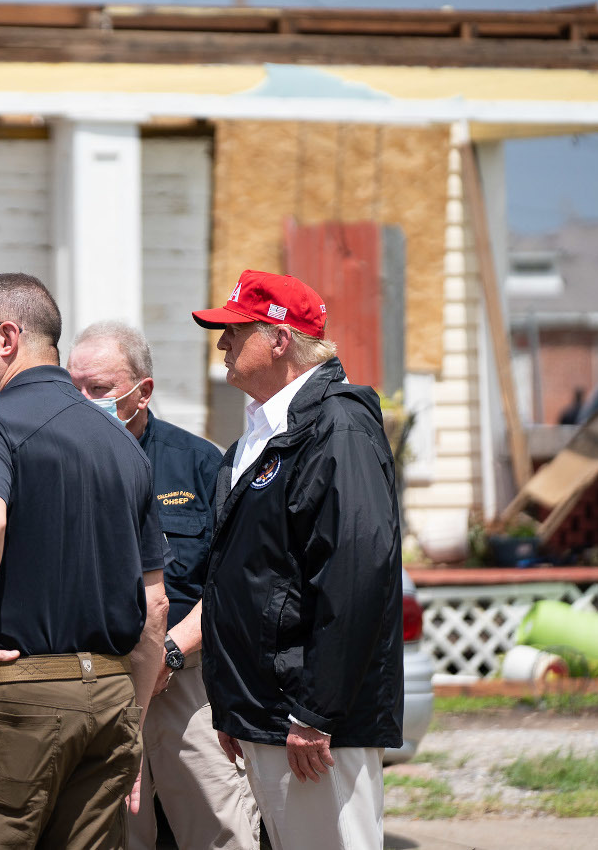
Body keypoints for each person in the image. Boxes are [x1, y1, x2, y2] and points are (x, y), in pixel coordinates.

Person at [0, 272, 170, 849]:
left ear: (7, 337)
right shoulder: (124, 444)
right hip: (110, 699)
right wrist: (131, 721)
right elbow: (154, 604)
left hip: (15, 699)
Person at [190, 270, 403, 850]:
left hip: (308, 721)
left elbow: (357, 573)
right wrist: (235, 708)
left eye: (235, 331)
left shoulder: (338, 426)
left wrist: (316, 710)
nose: (222, 344)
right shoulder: (264, 432)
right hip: (270, 714)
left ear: (280, 339)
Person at [66, 321, 261, 850]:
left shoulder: (199, 464)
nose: (83, 401)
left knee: (221, 826)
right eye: (73, 387)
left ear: (142, 391)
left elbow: (230, 581)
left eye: (99, 389)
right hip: (94, 681)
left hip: (184, 680)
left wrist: (170, 655)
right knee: (113, 833)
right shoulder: (53, 460)